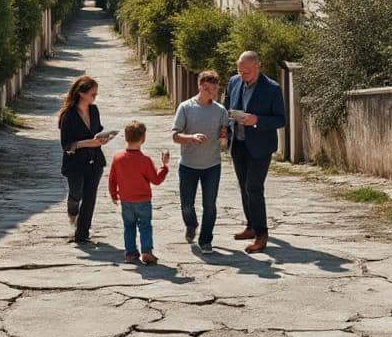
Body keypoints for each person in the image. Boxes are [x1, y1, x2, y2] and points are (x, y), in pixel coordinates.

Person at [224, 50, 286, 253]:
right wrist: (225, 127)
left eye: (248, 72)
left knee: (254, 188)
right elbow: (226, 107)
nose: (243, 76)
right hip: (238, 143)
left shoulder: (272, 89)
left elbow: (280, 120)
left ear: (258, 66)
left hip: (260, 146)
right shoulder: (233, 82)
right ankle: (250, 226)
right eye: (240, 72)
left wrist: (257, 120)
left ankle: (261, 234)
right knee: (243, 187)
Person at [172, 70, 229, 253]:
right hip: (188, 164)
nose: (211, 93)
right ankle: (191, 224)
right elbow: (175, 136)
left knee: (210, 205)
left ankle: (206, 240)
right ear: (200, 86)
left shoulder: (221, 111)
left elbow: (223, 142)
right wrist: (191, 138)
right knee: (187, 204)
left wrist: (224, 137)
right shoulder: (186, 107)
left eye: (214, 89)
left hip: (212, 164)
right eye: (207, 89)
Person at [58, 75, 114, 244]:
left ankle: (82, 235)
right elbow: (67, 145)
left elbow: (98, 130)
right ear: (82, 93)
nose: (95, 97)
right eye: (93, 94)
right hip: (75, 163)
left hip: (95, 160)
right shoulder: (68, 116)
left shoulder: (94, 110)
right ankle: (72, 207)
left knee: (90, 198)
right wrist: (90, 142)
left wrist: (104, 138)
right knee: (76, 194)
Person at [108, 120, 170, 264]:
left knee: (128, 226)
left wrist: (113, 194)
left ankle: (130, 253)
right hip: (143, 201)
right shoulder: (145, 160)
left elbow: (112, 179)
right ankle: (146, 251)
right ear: (143, 139)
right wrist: (164, 167)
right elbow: (156, 180)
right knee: (145, 226)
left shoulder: (117, 158)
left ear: (125, 137)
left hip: (125, 200)